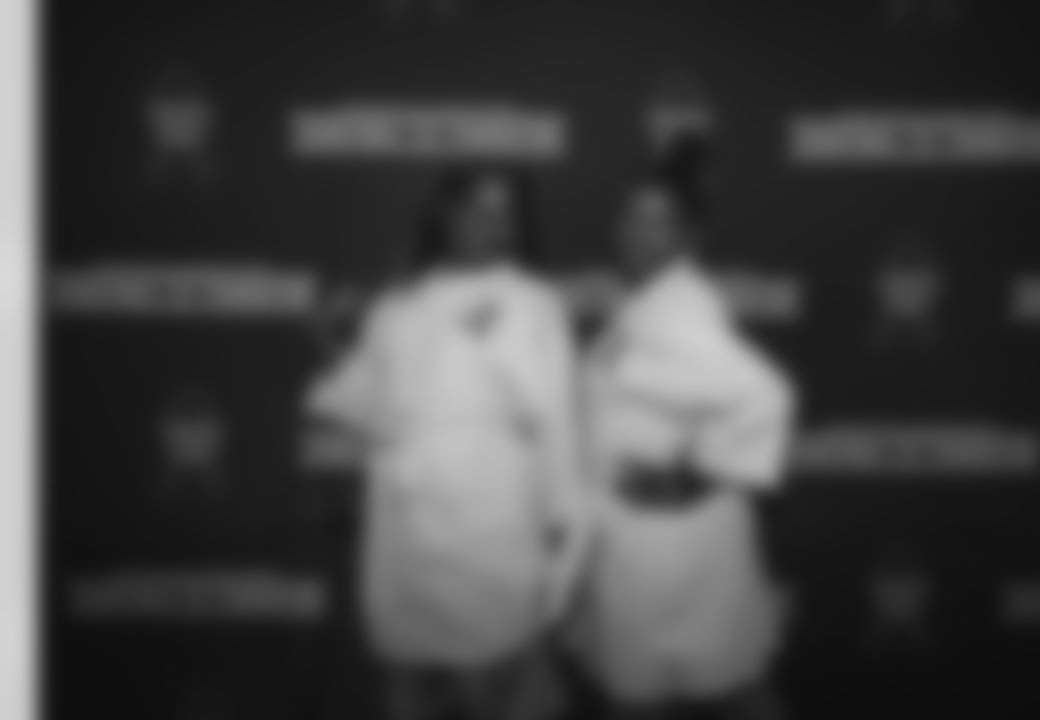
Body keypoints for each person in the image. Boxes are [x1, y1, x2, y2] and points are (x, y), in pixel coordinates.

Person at [304, 167, 588, 720]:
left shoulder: (535, 303)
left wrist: (567, 540)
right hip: (407, 549)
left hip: (495, 544)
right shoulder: (397, 304)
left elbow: (558, 425)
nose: (492, 222)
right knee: (416, 690)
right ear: (445, 214)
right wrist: (329, 345)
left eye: (504, 211)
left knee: (505, 684)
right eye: (476, 207)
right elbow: (371, 400)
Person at [571, 172, 797, 720]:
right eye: (631, 217)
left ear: (689, 237)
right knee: (699, 688)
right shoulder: (644, 302)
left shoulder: (682, 305)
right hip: (643, 544)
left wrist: (698, 471)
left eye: (657, 222)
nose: (636, 231)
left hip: (676, 548)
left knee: (719, 693)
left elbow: (765, 394)